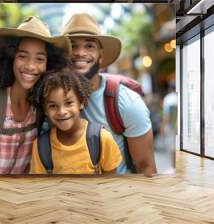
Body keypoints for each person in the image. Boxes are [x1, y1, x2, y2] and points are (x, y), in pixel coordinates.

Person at [0, 16, 71, 174]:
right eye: (22, 56)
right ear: (10, 58)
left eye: (40, 59)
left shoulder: (42, 104)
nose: (30, 66)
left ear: (49, 64)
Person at [61, 13, 157, 176]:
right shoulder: (49, 96)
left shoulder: (125, 102)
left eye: (89, 46)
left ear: (101, 56)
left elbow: (146, 167)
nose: (80, 53)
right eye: (73, 46)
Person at [29, 69, 122, 174]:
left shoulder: (101, 139)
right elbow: (41, 187)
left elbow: (111, 184)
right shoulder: (41, 147)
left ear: (81, 102)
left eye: (68, 103)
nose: (62, 112)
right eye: (53, 106)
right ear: (45, 110)